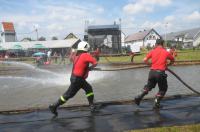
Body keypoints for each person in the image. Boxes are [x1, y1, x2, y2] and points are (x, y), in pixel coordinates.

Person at [49, 41, 98, 116]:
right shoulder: (85, 55)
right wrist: (90, 67)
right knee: (68, 95)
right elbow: (95, 63)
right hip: (78, 79)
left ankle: (92, 105)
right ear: (86, 48)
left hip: (76, 78)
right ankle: (54, 106)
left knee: (88, 88)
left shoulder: (77, 55)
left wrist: (87, 68)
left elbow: (78, 63)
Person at [134, 39, 175, 109]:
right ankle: (156, 102)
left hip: (152, 72)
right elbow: (173, 60)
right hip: (160, 73)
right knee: (163, 89)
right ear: (163, 44)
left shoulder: (152, 51)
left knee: (148, 86)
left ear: (156, 44)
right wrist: (168, 65)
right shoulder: (166, 52)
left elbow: (144, 60)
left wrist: (150, 64)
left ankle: (139, 96)